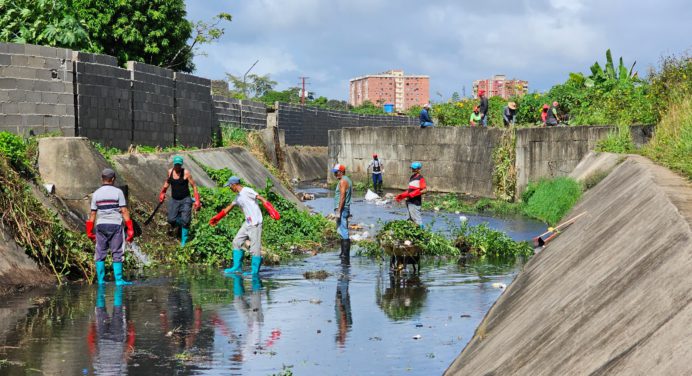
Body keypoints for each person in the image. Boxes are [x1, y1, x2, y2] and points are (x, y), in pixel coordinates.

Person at [209, 176, 280, 276]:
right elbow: (229, 208)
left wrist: (270, 209)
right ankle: (237, 267)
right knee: (236, 242)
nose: (230, 188)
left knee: (255, 250)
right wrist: (217, 218)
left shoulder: (247, 191)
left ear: (234, 185)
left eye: (230, 186)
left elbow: (260, 198)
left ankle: (255, 271)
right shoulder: (238, 197)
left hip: (255, 223)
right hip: (247, 223)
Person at [86, 168, 135, 285]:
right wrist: (130, 229)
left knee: (100, 252)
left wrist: (89, 231)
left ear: (102, 179)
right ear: (113, 179)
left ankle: (101, 281)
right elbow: (124, 210)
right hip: (115, 225)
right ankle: (119, 280)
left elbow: (93, 214)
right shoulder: (118, 192)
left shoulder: (96, 193)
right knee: (117, 252)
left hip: (101, 225)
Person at [158, 156, 201, 246]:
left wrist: (197, 200)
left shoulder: (186, 173)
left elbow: (194, 186)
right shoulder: (170, 172)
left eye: (179, 165)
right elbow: (167, 182)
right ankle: (182, 224)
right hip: (175, 199)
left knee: (185, 220)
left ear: (181, 165)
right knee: (171, 219)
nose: (177, 167)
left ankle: (183, 241)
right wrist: (162, 192)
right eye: (176, 165)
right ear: (174, 164)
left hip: (185, 199)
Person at [395, 162, 427, 227]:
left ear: (419, 169)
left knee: (417, 220)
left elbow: (425, 190)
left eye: (414, 169)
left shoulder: (420, 178)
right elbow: (410, 189)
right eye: (412, 168)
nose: (413, 170)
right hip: (409, 201)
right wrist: (402, 196)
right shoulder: (412, 177)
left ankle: (422, 233)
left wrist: (416, 193)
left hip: (415, 202)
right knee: (408, 219)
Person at [332, 164, 352, 265]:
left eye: (336, 172)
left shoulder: (343, 181)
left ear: (341, 171)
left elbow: (342, 196)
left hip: (343, 209)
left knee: (343, 230)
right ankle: (343, 253)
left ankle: (345, 255)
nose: (335, 174)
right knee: (342, 229)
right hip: (344, 208)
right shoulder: (346, 179)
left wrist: (339, 210)